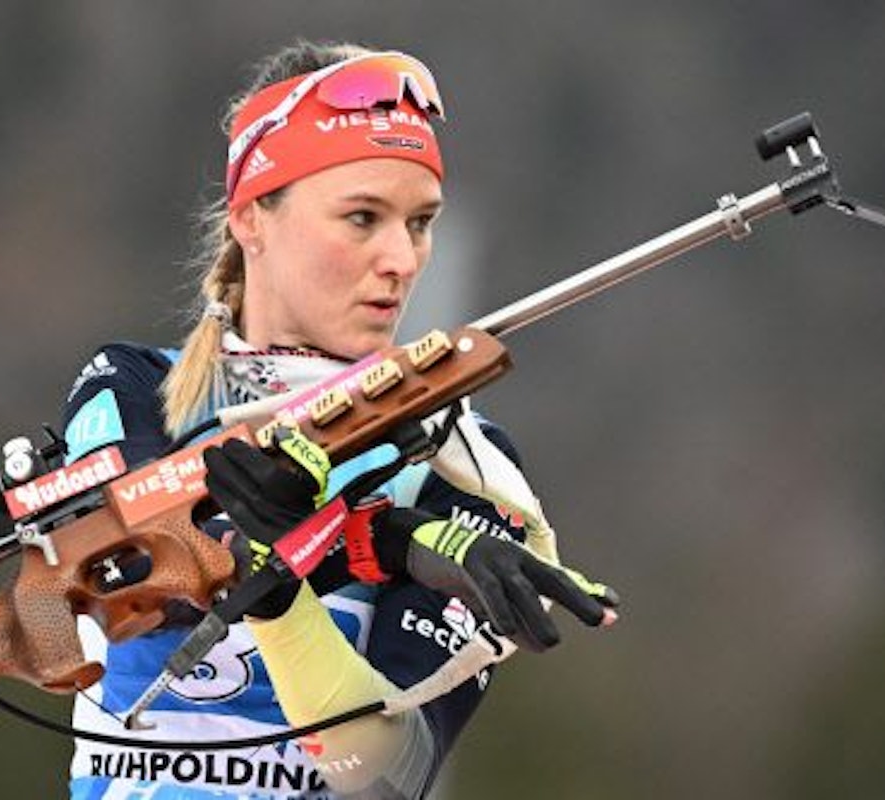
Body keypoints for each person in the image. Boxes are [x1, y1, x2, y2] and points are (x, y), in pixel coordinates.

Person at [61, 39, 616, 800]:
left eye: (419, 223)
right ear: (253, 217)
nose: (402, 258)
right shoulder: (131, 388)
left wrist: (285, 597)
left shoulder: (463, 458)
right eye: (362, 217)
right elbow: (135, 551)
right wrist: (390, 543)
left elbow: (389, 776)